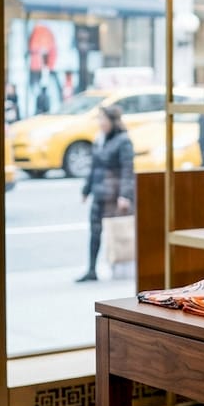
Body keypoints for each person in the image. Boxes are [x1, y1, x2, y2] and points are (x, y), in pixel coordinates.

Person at [78, 105, 134, 282]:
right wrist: (86, 190)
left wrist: (125, 195)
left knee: (117, 232)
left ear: (112, 121)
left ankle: (119, 267)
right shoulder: (99, 139)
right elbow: (94, 168)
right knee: (95, 231)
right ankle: (91, 269)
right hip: (99, 193)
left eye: (103, 119)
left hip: (114, 196)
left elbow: (128, 170)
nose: (100, 123)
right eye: (99, 119)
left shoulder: (123, 141)